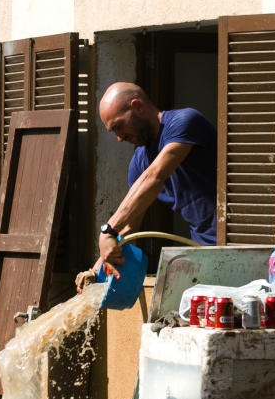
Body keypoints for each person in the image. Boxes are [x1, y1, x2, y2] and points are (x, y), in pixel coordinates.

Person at [76, 82, 217, 291]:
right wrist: (97, 270)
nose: (119, 137)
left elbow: (156, 175)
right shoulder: (138, 164)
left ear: (137, 106)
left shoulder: (184, 122)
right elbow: (129, 227)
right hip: (205, 252)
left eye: (118, 126)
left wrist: (107, 230)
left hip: (241, 240)